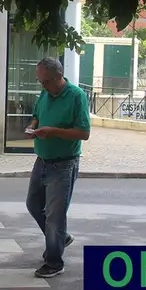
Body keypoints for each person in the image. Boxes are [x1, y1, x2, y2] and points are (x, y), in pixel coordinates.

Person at [24, 57, 91, 278]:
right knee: (33, 204)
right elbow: (36, 115)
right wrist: (33, 126)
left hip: (64, 163)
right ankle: (60, 239)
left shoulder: (76, 96)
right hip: (41, 159)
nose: (42, 86)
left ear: (59, 76)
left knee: (54, 215)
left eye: (46, 82)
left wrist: (52, 131)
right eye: (40, 82)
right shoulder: (45, 93)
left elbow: (84, 133)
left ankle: (54, 261)